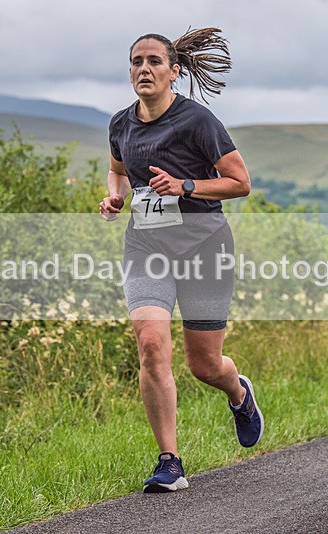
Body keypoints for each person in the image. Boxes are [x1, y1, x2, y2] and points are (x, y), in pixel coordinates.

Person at [99, 27, 264, 492]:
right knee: (151, 343)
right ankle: (169, 462)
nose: (144, 69)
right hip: (146, 247)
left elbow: (240, 182)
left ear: (174, 71)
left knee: (204, 365)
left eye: (154, 61)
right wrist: (114, 199)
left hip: (204, 246)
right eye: (136, 61)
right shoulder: (120, 124)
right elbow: (117, 172)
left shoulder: (197, 121)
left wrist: (186, 186)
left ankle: (238, 392)